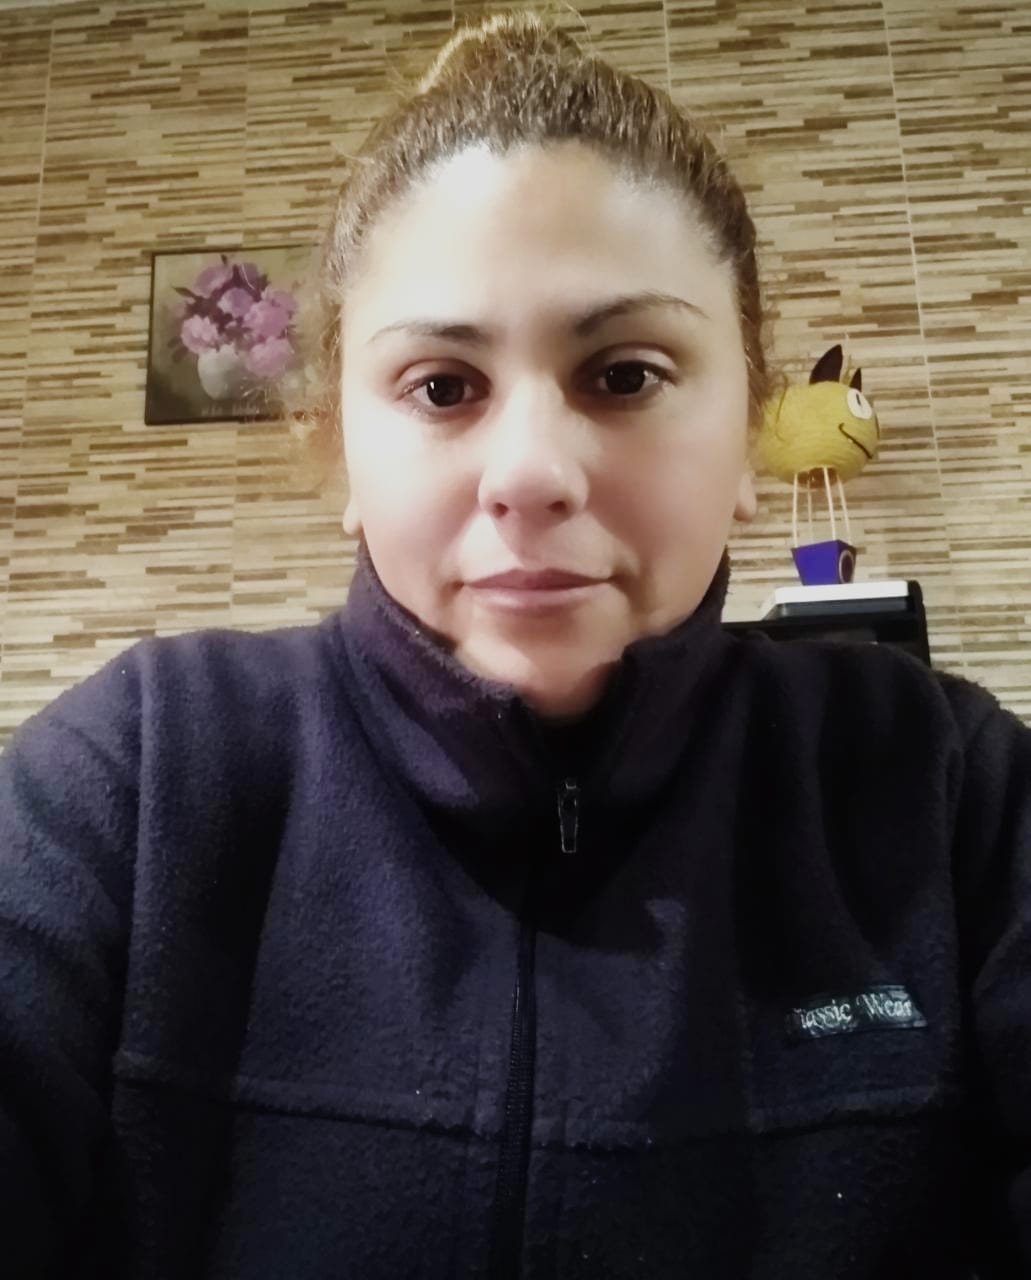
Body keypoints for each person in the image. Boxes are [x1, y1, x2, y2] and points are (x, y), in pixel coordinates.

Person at [1, 8, 1028, 1278]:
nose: (532, 471)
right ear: (343, 454)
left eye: (624, 374)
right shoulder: (139, 776)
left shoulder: (946, 793)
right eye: (442, 386)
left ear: (748, 433)